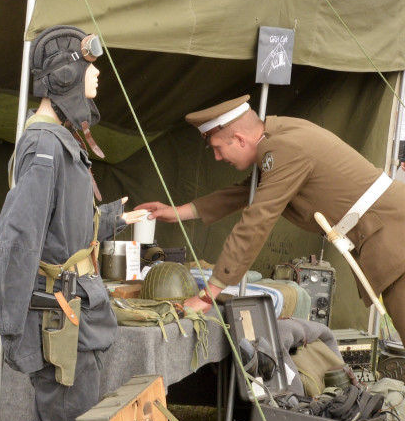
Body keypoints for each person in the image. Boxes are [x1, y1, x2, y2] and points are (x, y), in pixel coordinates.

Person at [0, 25, 144, 421]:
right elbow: (19, 240)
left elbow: (69, 229)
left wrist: (121, 216)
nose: (97, 77)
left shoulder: (61, 141)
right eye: (89, 68)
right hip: (60, 317)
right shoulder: (43, 145)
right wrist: (14, 327)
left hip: (77, 311)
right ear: (64, 75)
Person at [136, 96, 405, 336]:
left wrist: (209, 295)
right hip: (386, 231)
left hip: (393, 236)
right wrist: (175, 213)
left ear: (240, 139)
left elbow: (256, 221)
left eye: (218, 147)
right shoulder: (279, 138)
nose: (217, 157)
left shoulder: (283, 150)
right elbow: (246, 192)